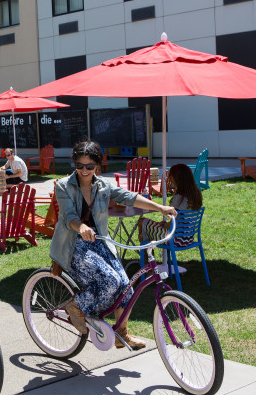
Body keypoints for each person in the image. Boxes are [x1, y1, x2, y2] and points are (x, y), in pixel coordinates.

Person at [49, 140, 177, 349]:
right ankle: (76, 306)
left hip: (100, 242)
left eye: (89, 166)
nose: (84, 170)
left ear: (97, 166)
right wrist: (81, 227)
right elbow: (68, 216)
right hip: (73, 245)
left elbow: (129, 197)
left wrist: (159, 208)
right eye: (79, 165)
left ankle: (121, 334)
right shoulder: (64, 186)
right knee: (109, 281)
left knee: (125, 285)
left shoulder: (103, 186)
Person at [139, 163, 202, 244]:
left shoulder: (179, 198)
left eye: (171, 178)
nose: (170, 180)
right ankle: (148, 253)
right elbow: (180, 220)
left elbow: (174, 222)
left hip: (175, 239)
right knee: (143, 234)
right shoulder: (196, 194)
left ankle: (147, 255)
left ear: (177, 179)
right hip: (188, 238)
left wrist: (164, 225)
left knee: (142, 222)